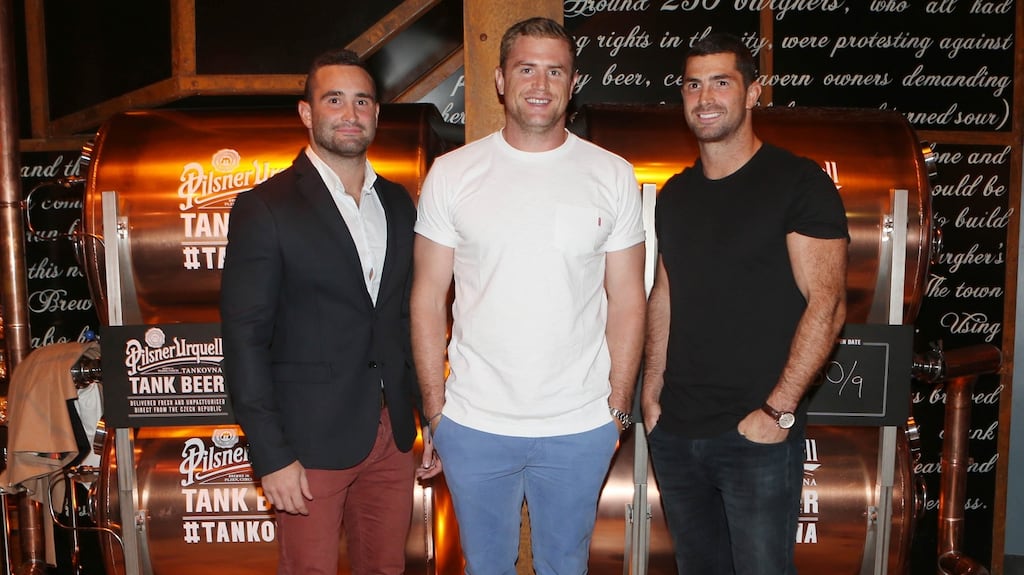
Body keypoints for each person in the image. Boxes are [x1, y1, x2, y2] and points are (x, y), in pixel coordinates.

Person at [410, 16, 646, 575]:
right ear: (499, 79)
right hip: (473, 423)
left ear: (572, 82)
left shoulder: (612, 175)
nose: (540, 84)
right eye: (526, 68)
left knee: (564, 566)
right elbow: (424, 298)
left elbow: (629, 301)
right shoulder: (452, 173)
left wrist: (614, 410)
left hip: (579, 426)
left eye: (555, 71)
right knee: (484, 566)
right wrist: (436, 412)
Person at [220, 48, 439, 575]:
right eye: (334, 99)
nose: (350, 113)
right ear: (306, 112)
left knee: (386, 567)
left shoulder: (397, 202)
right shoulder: (266, 207)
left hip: (392, 434)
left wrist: (428, 415)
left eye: (362, 101)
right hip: (308, 440)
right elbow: (244, 338)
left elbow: (406, 318)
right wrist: (271, 453)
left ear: (377, 114)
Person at [642, 32, 849, 575]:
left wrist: (777, 410)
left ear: (754, 92)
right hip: (677, 429)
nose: (704, 97)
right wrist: (651, 392)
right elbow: (665, 292)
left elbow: (826, 305)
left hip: (755, 432)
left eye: (721, 83)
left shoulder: (799, 183)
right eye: (693, 84)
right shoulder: (675, 194)